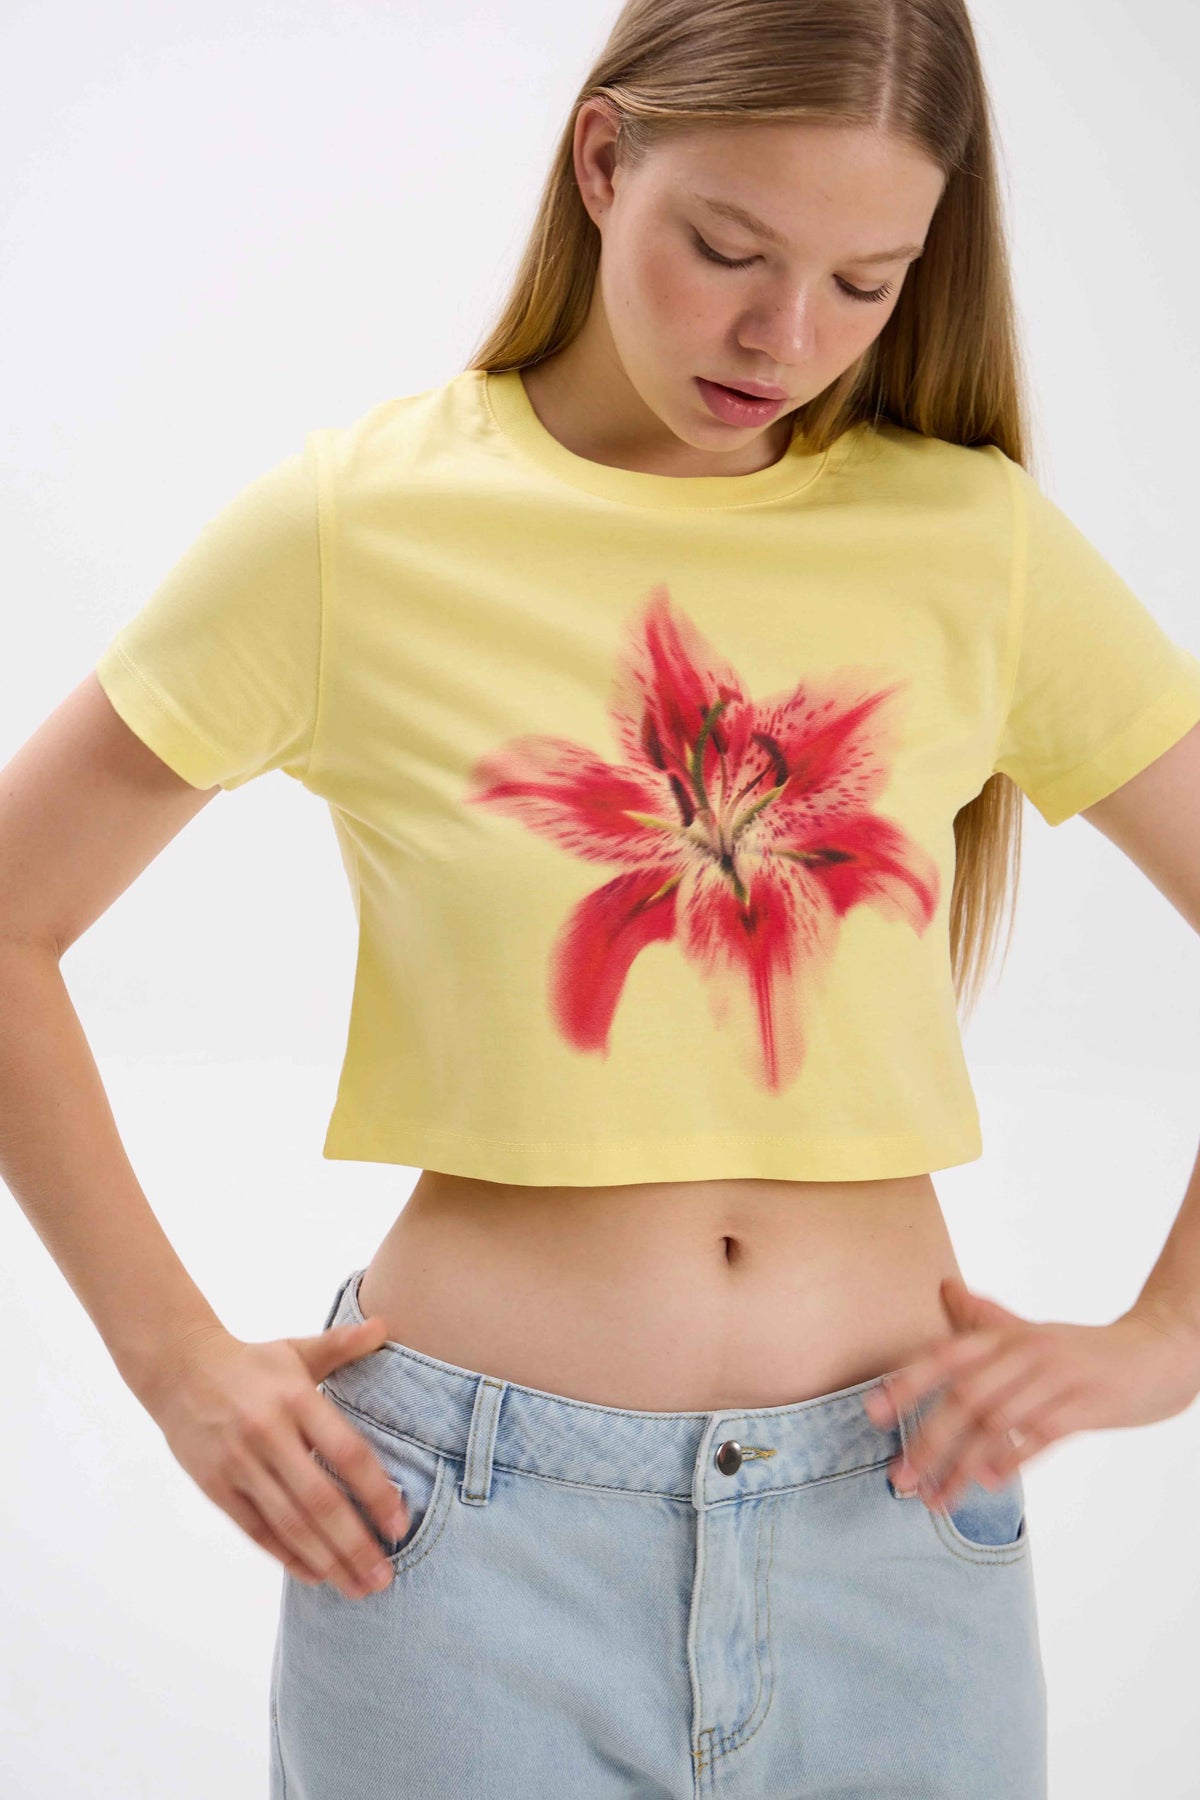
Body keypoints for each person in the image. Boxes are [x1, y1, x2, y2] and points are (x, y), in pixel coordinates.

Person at [4, 1, 1200, 1794]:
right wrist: (173, 1359)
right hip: (458, 1545)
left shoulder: (976, 541)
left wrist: (1171, 1338)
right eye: (729, 248)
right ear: (601, 157)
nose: (781, 337)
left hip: (899, 1534)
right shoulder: (363, 527)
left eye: (866, 282)